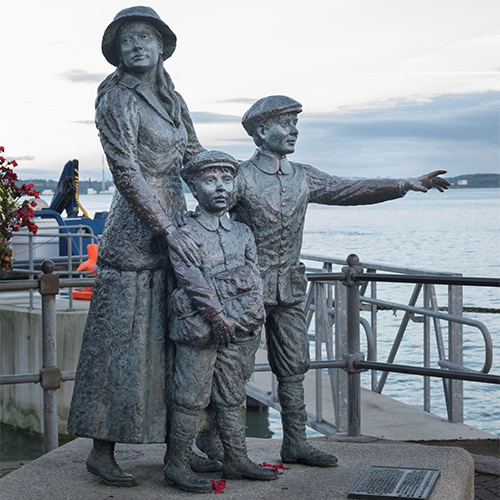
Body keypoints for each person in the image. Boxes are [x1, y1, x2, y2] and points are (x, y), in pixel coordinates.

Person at [228, 95, 450, 468]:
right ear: (261, 131)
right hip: (247, 289)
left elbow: (349, 189)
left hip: (290, 289)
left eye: (296, 122)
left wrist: (405, 183)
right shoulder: (239, 177)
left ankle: (295, 443)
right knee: (235, 368)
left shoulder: (303, 176)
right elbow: (209, 216)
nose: (295, 130)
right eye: (286, 122)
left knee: (295, 365)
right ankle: (228, 450)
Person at [67, 6, 215, 487]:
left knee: (175, 342)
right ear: (116, 51)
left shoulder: (173, 101)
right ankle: (101, 449)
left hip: (176, 228)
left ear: (161, 46)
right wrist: (166, 229)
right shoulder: (116, 98)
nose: (136, 45)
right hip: (135, 235)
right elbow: (126, 172)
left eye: (145, 37)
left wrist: (230, 191)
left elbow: (195, 158)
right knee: (119, 344)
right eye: (126, 39)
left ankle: (182, 444)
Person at [165, 150, 277, 492]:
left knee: (231, 395)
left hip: (236, 330)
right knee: (190, 397)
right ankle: (177, 463)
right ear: (193, 186)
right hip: (199, 331)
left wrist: (241, 314)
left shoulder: (242, 232)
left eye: (227, 180)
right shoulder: (184, 231)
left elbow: (254, 277)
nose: (220, 188)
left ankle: (236, 458)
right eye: (210, 180)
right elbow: (190, 279)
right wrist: (219, 313)